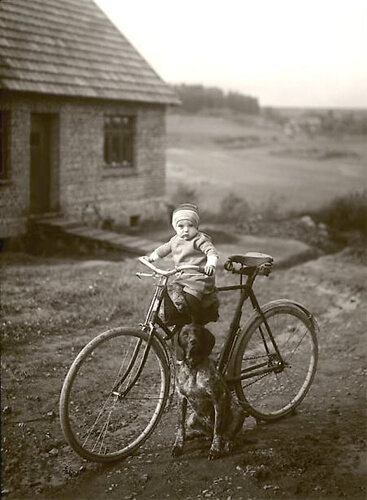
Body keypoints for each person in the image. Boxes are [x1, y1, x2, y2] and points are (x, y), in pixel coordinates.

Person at [146, 203, 219, 324]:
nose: (186, 229)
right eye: (181, 226)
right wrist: (151, 258)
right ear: (175, 227)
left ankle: (197, 323)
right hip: (182, 277)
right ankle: (178, 321)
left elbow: (211, 252)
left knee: (191, 298)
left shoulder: (200, 239)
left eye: (190, 225)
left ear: (196, 227)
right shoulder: (175, 240)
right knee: (168, 294)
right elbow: (163, 250)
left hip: (199, 278)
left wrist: (211, 264)